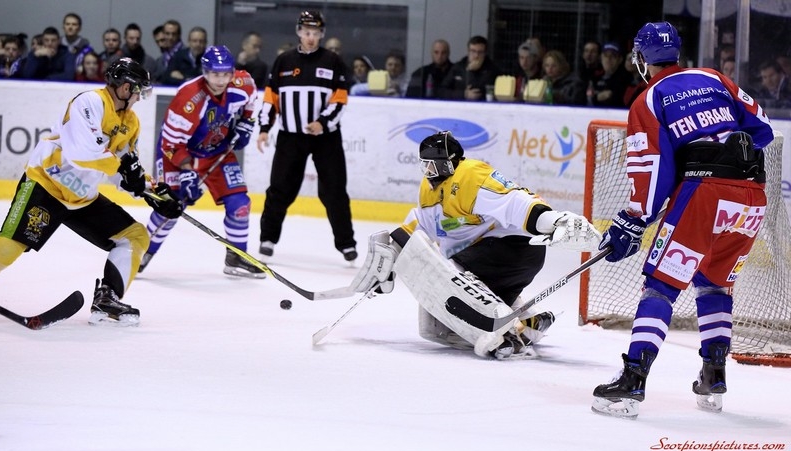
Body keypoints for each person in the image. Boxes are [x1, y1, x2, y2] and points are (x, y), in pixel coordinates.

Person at [591, 22, 775, 419]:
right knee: (715, 282)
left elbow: (653, 172)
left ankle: (632, 382)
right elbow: (762, 130)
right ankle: (714, 376)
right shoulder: (714, 77)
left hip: (704, 197)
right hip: (752, 197)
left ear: (641, 59)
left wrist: (634, 218)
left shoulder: (648, 99)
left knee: (660, 285)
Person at [347, 131, 601, 359]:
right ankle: (525, 323)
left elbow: (517, 202)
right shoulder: (430, 188)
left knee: (445, 273)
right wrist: (389, 259)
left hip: (511, 251)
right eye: (425, 166)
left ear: (452, 162)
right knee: (434, 329)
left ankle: (502, 330)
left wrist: (555, 220)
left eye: (435, 165)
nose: (429, 172)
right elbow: (420, 226)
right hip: (490, 261)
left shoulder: (471, 176)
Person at [0, 58, 182, 326]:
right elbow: (82, 154)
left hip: (82, 197)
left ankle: (108, 298)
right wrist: (125, 169)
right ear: (126, 88)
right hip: (47, 183)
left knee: (135, 236)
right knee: (10, 247)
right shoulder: (89, 103)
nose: (141, 96)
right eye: (140, 90)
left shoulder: (131, 122)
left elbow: (127, 169)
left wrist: (153, 192)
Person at [139, 46, 262, 278]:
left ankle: (237, 257)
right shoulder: (189, 98)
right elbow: (170, 145)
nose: (221, 79)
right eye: (216, 74)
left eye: (226, 74)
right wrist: (187, 172)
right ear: (205, 72)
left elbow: (251, 101)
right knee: (172, 206)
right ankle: (142, 251)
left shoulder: (243, 83)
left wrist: (246, 122)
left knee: (240, 204)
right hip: (178, 154)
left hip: (217, 151)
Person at [256, 10, 357, 262]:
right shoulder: (283, 62)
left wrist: (322, 122)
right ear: (299, 32)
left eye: (315, 33)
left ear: (322, 34)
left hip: (326, 138)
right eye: (306, 32)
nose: (311, 38)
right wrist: (264, 128)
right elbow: (271, 99)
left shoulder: (333, 61)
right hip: (290, 136)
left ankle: (346, 244)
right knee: (279, 189)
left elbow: (340, 98)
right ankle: (267, 238)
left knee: (334, 191)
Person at [442, 35, 500, 101]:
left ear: (485, 53)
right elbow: (443, 91)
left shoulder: (492, 70)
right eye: (473, 51)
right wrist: (463, 94)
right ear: (468, 51)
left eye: (480, 52)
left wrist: (471, 72)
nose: (476, 56)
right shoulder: (458, 67)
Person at [588, 42, 630, 107]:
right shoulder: (594, 76)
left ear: (620, 59)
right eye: (605, 55)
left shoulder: (626, 79)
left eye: (613, 56)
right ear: (600, 58)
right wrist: (596, 98)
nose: (608, 59)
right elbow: (588, 97)